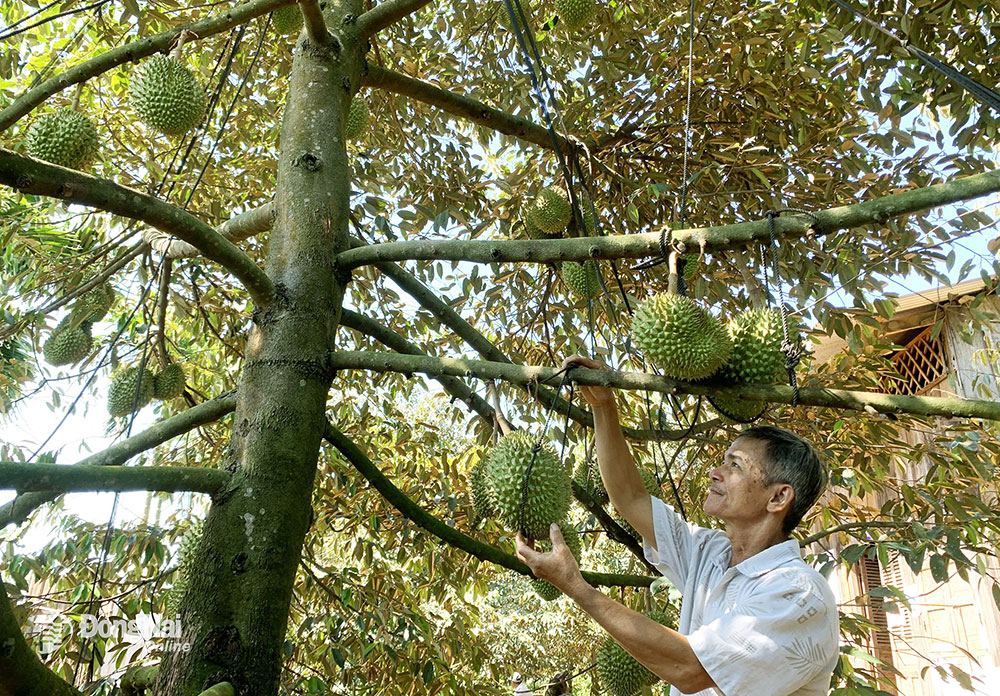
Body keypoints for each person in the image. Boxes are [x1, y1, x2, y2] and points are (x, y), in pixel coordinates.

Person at [515, 355, 840, 696]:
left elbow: (690, 669)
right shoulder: (711, 553)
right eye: (722, 461)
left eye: (736, 466)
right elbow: (631, 496)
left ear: (778, 498)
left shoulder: (798, 593)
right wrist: (603, 406)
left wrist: (575, 586)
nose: (716, 472)